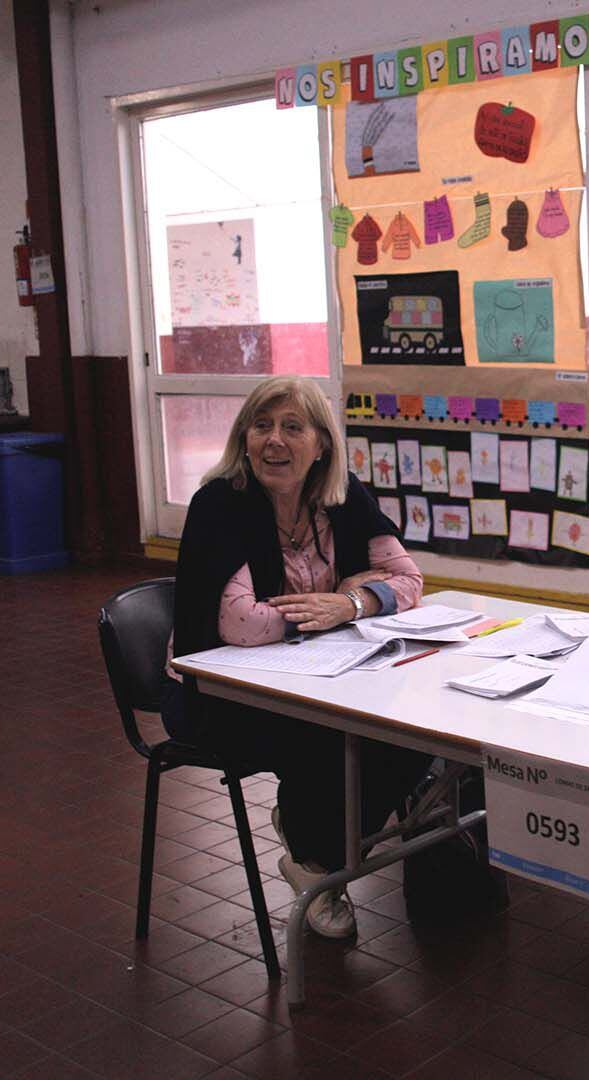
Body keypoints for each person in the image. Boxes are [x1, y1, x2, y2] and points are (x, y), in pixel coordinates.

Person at [164, 375, 432, 940]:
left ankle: (315, 855)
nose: (274, 441)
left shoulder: (344, 496)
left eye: (292, 427)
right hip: (217, 696)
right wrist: (334, 608)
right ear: (244, 438)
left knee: (414, 730)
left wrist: (351, 601)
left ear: (322, 445)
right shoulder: (221, 504)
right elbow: (237, 624)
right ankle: (320, 864)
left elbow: (409, 581)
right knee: (332, 737)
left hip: (318, 674)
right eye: (261, 426)